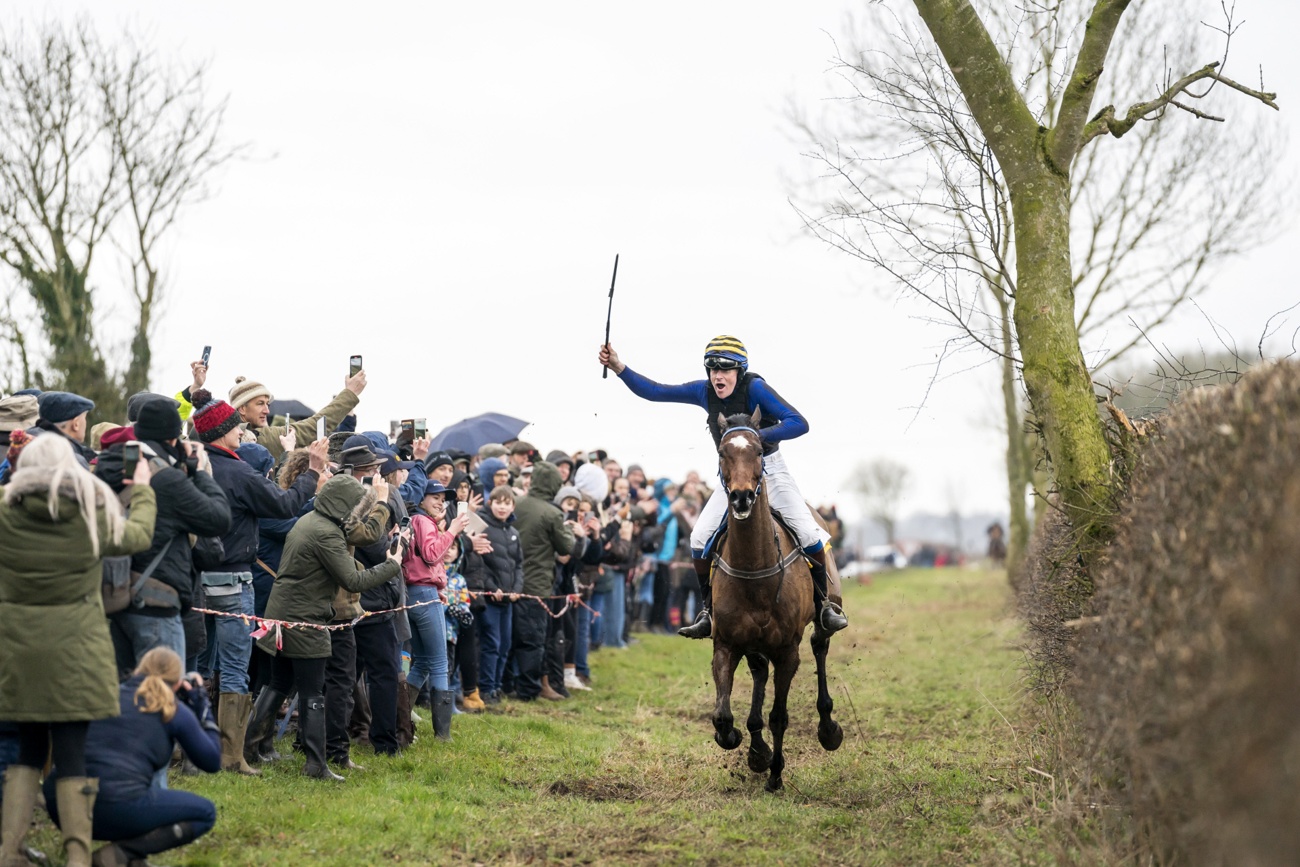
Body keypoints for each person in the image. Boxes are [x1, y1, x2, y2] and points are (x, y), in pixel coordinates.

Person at [598, 336, 848, 636]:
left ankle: (824, 606)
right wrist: (618, 366)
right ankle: (708, 612)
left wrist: (752, 436)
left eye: (726, 369)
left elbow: (798, 422)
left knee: (809, 532)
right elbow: (655, 392)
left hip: (771, 469)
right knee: (699, 538)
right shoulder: (703, 392)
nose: (718, 375)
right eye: (713, 369)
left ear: (740, 372)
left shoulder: (755, 388)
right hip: (730, 476)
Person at [0, 434, 157, 867]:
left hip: (17, 646)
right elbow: (138, 535)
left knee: (29, 748)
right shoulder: (90, 509)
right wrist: (141, 487)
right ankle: (76, 855)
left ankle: (9, 851)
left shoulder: (4, 509)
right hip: (77, 648)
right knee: (72, 751)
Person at [190, 388, 323, 775]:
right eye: (234, 426)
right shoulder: (238, 471)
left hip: (196, 580)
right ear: (223, 431)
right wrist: (312, 473)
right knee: (233, 666)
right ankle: (231, 756)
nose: (240, 432)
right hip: (233, 579)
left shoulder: (192, 469)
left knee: (197, 663)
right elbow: (282, 506)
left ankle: (191, 753)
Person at [243, 474, 404, 781]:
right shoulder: (326, 533)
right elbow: (353, 581)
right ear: (342, 504)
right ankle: (316, 764)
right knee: (312, 690)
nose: (356, 511)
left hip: (284, 612)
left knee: (279, 681)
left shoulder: (310, 521)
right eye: (355, 505)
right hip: (304, 618)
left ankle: (253, 747)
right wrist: (392, 564)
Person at [44, 648, 221, 867]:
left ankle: (125, 858)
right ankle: (121, 853)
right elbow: (212, 761)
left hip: (62, 804)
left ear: (139, 669)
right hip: (118, 808)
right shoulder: (172, 709)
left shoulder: (107, 694)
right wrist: (202, 705)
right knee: (205, 812)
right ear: (177, 682)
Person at [96, 398, 233, 669]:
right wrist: (198, 470)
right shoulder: (165, 478)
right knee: (160, 700)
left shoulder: (108, 465)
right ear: (172, 440)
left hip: (113, 594)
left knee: (122, 698)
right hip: (156, 600)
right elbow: (219, 519)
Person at [402, 479, 469, 739]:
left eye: (443, 497)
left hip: (415, 594)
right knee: (439, 663)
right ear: (421, 499)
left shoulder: (418, 520)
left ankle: (401, 717)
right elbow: (431, 556)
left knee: (423, 664)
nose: (441, 501)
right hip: (424, 595)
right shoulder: (423, 521)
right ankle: (443, 735)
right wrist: (451, 530)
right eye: (434, 496)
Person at [511, 461, 580, 701]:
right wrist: (571, 530)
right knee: (533, 641)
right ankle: (530, 691)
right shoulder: (552, 513)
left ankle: (508, 687)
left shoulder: (515, 503)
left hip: (509, 583)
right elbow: (567, 546)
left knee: (509, 641)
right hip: (537, 585)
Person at [465, 485, 524, 706]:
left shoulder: (514, 533)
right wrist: (492, 588)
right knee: (491, 643)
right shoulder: (482, 526)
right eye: (498, 502)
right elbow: (479, 563)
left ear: (513, 506)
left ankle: (497, 686)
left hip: (508, 601)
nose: (502, 506)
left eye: (507, 503)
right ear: (491, 503)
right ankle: (487, 688)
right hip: (489, 598)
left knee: (505, 645)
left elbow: (519, 565)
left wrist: (516, 589)